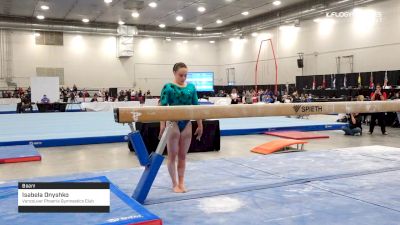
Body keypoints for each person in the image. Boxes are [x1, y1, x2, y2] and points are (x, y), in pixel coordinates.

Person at [159, 62, 203, 193]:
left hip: (187, 124)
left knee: (183, 156)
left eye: (185, 75)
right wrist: (162, 126)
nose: (183, 78)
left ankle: (181, 182)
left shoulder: (191, 87)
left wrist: (200, 124)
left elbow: (197, 107)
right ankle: (174, 184)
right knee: (172, 156)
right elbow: (162, 108)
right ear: (174, 73)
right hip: (173, 123)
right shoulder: (168, 87)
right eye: (180, 75)